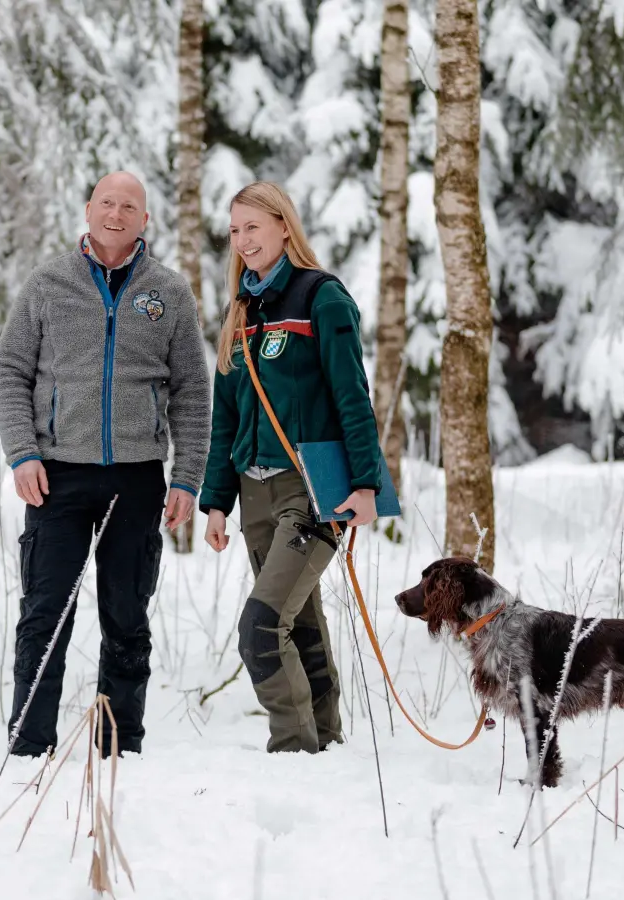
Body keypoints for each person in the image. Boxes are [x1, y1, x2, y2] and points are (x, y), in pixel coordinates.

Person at [0, 171, 211, 757]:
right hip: (56, 475)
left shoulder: (170, 292)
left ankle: (118, 747)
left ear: (146, 220)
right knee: (45, 614)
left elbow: (192, 389)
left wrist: (188, 475)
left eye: (130, 206)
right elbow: (11, 371)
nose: (117, 213)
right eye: (107, 202)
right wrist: (22, 453)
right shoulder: (47, 284)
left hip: (137, 477)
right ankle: (29, 745)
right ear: (88, 209)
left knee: (126, 615)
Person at [198, 182, 383, 754]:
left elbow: (353, 397)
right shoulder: (241, 311)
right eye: (234, 231)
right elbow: (224, 417)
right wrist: (215, 501)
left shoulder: (322, 298)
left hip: (310, 490)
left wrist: (367, 484)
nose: (243, 241)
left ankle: (293, 750)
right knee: (296, 622)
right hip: (253, 496)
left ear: (284, 226)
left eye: (253, 227)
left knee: (259, 628)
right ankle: (325, 743)